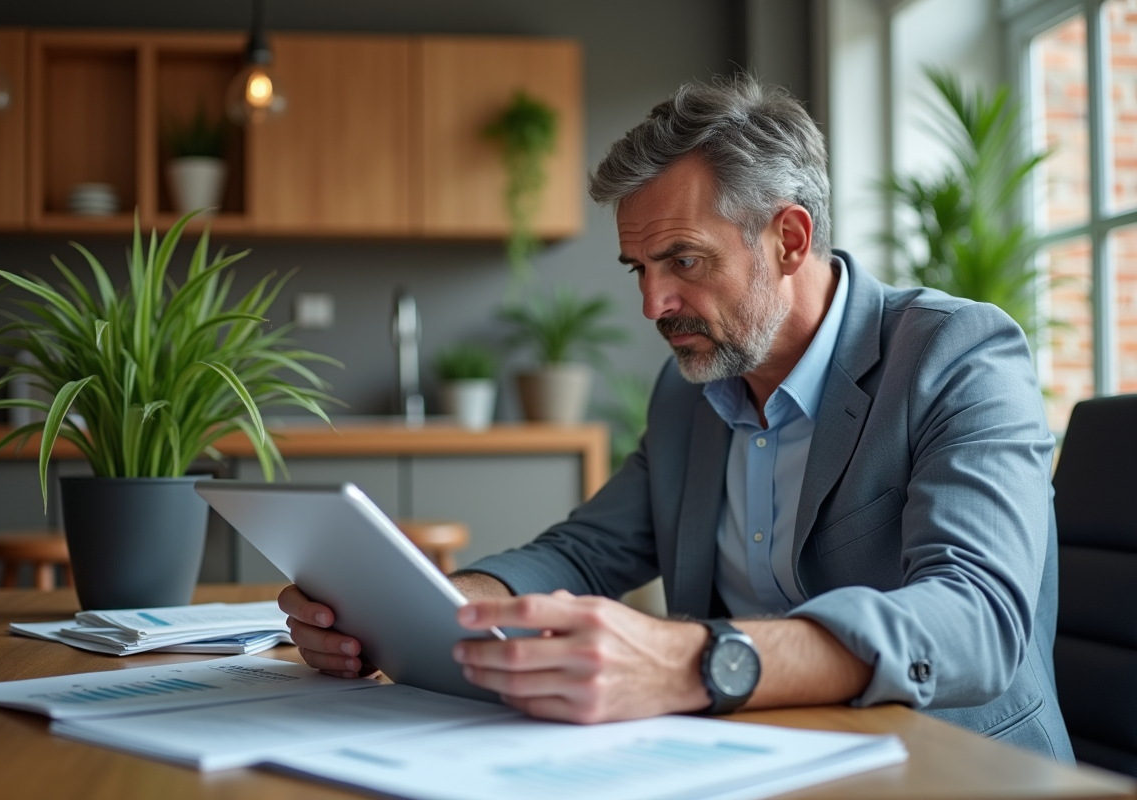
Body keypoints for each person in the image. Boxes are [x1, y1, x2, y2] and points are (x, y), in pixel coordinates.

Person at [280, 77, 1072, 760]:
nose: (653, 304)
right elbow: (586, 554)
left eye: (684, 262)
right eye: (641, 269)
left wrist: (696, 659)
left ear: (789, 239)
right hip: (750, 754)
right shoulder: (689, 391)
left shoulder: (957, 355)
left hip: (945, 763)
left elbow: (975, 619)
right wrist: (417, 612)